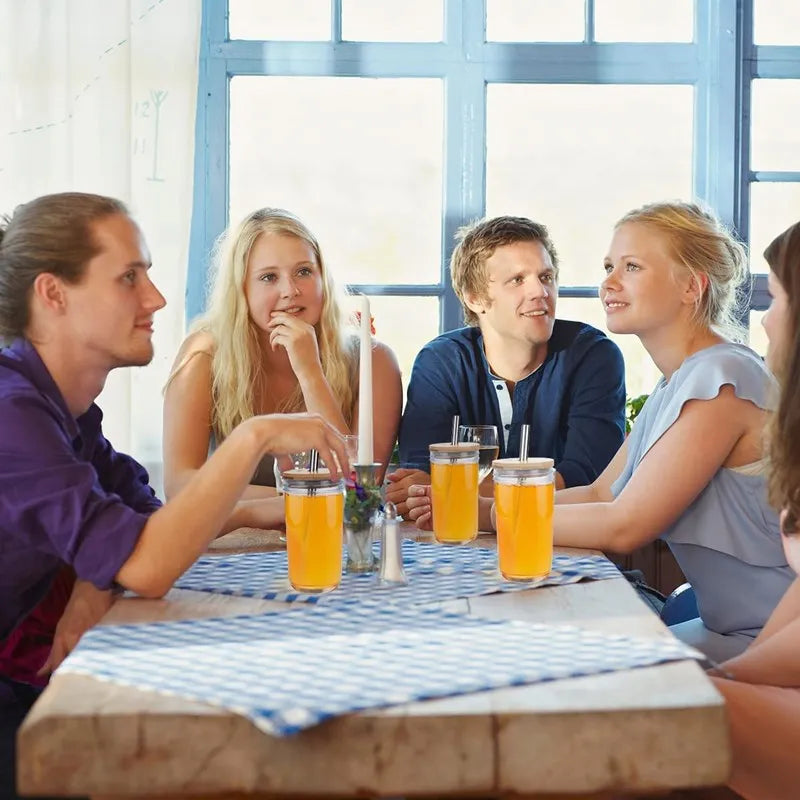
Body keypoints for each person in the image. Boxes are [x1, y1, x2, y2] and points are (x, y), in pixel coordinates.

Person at [0, 193, 350, 798]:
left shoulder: (65, 411)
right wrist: (254, 435)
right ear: (53, 294)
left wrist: (95, 579)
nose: (156, 298)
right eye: (129, 277)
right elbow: (152, 563)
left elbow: (141, 510)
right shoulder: (11, 414)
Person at [407, 202, 793, 662]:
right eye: (609, 266)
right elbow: (599, 494)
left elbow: (625, 524)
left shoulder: (722, 382)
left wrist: (486, 515)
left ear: (691, 285)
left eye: (631, 266)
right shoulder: (680, 382)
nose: (608, 282)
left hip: (771, 642)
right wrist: (482, 505)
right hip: (731, 630)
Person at [163, 207, 402, 523]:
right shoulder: (204, 355)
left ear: (322, 278)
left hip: (332, 543)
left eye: (304, 271)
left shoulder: (374, 360)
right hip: (237, 547)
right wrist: (297, 494)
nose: (290, 290)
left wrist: (310, 372)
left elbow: (359, 490)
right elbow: (180, 487)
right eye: (268, 277)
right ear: (242, 290)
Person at [389, 215, 626, 515]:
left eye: (546, 277)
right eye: (517, 280)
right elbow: (417, 482)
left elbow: (587, 481)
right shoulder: (441, 362)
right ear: (475, 298)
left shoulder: (594, 357)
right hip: (458, 541)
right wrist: (547, 483)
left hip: (563, 541)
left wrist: (452, 488)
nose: (540, 292)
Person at [710, 220, 800, 800]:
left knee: (634, 709)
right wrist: (741, 669)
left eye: (778, 298)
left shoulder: (722, 380)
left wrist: (734, 675)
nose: (765, 318)